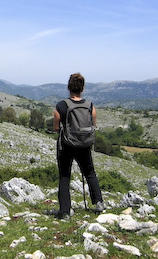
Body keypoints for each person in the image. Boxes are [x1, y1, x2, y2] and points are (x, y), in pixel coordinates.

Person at [53, 73, 105, 218]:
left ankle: (64, 211)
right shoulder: (90, 106)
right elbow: (93, 124)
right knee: (90, 172)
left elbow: (56, 127)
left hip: (67, 145)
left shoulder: (61, 105)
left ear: (69, 87)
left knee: (64, 175)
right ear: (82, 88)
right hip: (85, 145)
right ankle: (99, 203)